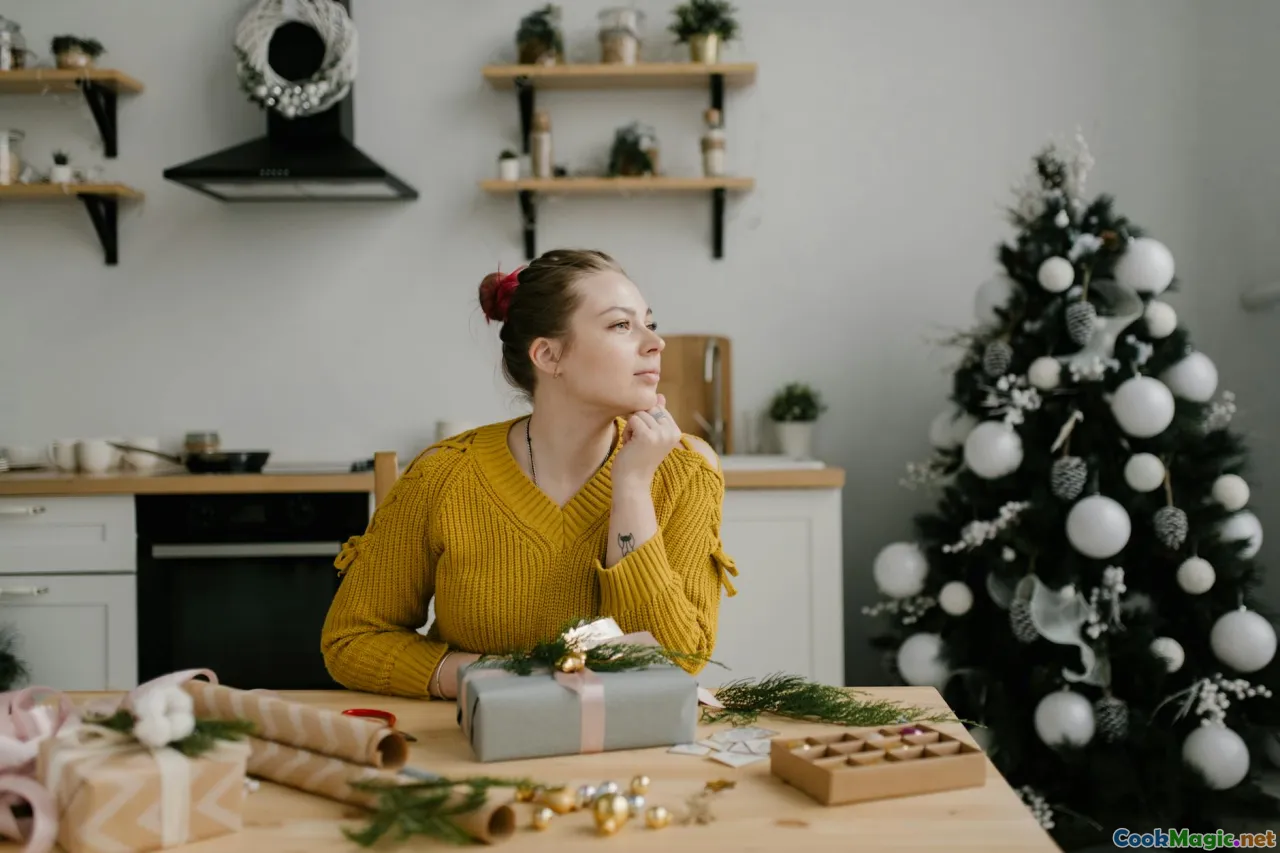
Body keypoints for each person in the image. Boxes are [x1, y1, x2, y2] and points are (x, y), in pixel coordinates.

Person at [320, 248, 739, 700]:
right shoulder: (443, 476)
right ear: (548, 354)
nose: (655, 342)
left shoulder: (684, 472)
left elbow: (676, 662)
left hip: (623, 748)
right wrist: (486, 678)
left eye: (649, 323)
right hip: (470, 743)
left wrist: (633, 488)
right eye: (622, 325)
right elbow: (352, 639)